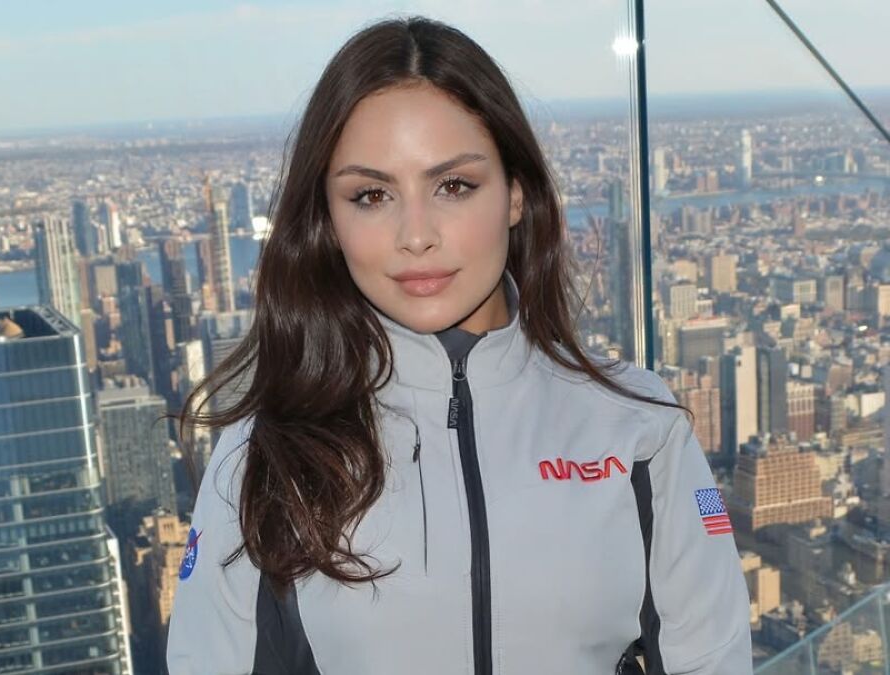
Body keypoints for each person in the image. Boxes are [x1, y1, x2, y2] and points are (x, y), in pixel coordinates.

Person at [166, 15, 752, 675]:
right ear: (328, 220)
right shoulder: (261, 454)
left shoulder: (638, 427)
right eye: (371, 194)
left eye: (454, 186)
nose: (416, 234)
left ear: (515, 194)